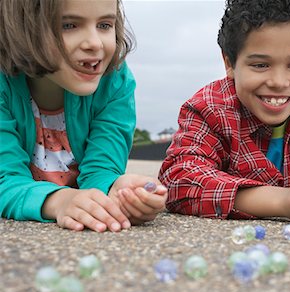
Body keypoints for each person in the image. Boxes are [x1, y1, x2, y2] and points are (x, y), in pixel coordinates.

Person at [159, 0, 290, 223]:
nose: (279, 82)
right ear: (229, 64)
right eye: (261, 65)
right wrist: (283, 201)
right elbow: (180, 179)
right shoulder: (209, 108)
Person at [0, 0, 167, 232]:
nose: (95, 43)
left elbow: (101, 170)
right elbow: (4, 178)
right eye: (69, 25)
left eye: (105, 25)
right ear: (20, 28)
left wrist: (117, 190)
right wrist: (60, 201)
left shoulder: (115, 83)